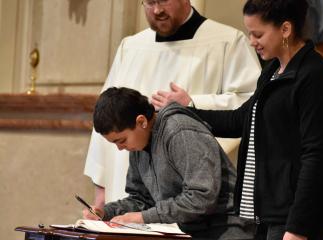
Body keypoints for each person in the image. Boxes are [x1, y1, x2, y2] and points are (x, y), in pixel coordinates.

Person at [84, 0, 261, 209]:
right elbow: (106, 117)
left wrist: (193, 104)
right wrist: (102, 187)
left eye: (164, 0)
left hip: (191, 201)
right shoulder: (131, 47)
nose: (157, 10)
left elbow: (253, 105)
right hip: (130, 198)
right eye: (150, 2)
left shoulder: (228, 41)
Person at [188, 0, 323, 239]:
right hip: (268, 215)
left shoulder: (315, 77)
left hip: (296, 219)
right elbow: (241, 119)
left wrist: (298, 227)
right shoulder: (272, 71)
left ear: (285, 30)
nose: (251, 41)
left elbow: (317, 156)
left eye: (257, 34)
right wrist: (187, 110)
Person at [83, 87, 256, 240]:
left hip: (227, 230)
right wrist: (106, 212)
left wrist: (142, 218)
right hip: (188, 231)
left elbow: (202, 197)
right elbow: (142, 199)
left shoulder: (180, 131)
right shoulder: (139, 146)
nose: (120, 148)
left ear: (141, 121)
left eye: (121, 140)